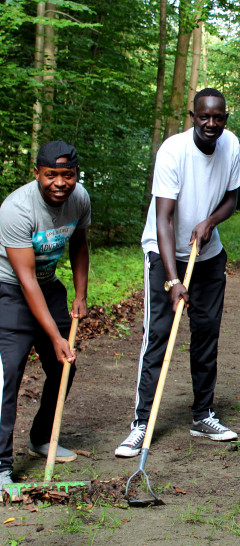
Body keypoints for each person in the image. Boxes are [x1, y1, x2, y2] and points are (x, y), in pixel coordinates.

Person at [116, 88, 240, 457]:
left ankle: (203, 414)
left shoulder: (230, 145)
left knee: (206, 335)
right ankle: (142, 422)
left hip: (208, 255)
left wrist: (210, 221)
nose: (211, 124)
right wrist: (172, 280)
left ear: (225, 119)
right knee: (158, 335)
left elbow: (232, 199)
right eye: (204, 116)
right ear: (193, 116)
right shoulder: (173, 151)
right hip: (165, 253)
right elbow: (164, 219)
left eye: (218, 117)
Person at [0, 140, 90, 489]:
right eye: (50, 174)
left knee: (64, 367)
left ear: (76, 175)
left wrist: (81, 294)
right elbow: (25, 280)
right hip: (9, 290)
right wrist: (54, 336)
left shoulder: (80, 198)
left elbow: (79, 243)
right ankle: (2, 467)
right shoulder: (16, 209)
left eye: (67, 175)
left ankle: (41, 438)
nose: (59, 183)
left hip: (49, 286)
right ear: (36, 173)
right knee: (9, 375)